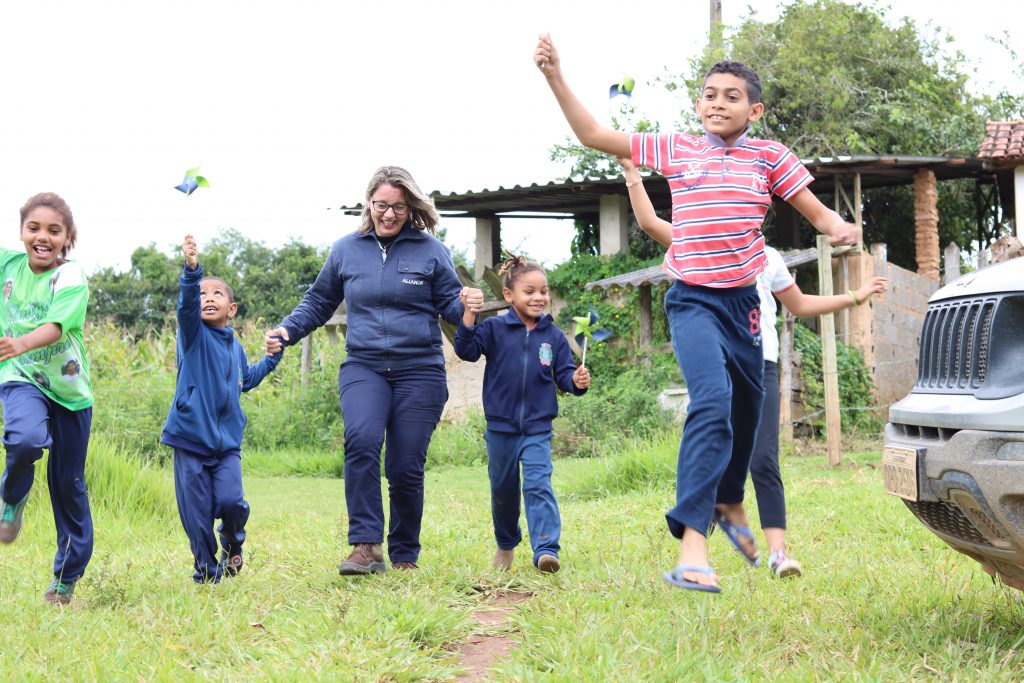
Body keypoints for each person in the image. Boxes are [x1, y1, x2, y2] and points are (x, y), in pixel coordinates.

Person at [535, 35, 861, 592]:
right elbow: (593, 135)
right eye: (709, 95)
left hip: (743, 308)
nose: (717, 104)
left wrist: (836, 226)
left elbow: (815, 211)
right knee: (711, 403)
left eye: (731, 97)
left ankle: (731, 502)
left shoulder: (769, 157)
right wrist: (555, 76)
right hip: (692, 299)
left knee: (744, 419)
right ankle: (693, 550)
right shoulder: (679, 149)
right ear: (697, 104)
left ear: (754, 111)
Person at [618, 156, 888, 579]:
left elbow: (799, 305)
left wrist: (855, 296)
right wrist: (633, 175)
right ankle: (700, 534)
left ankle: (779, 553)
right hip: (718, 363)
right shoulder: (697, 243)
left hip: (759, 366)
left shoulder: (770, 259)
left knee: (763, 458)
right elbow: (653, 223)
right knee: (714, 445)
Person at [266, 166, 484, 574]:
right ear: (368, 203)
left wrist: (468, 304)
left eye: (398, 207)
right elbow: (318, 301)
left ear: (411, 207)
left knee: (404, 465)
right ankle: (365, 546)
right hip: (364, 366)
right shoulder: (346, 250)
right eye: (382, 205)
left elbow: (452, 308)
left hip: (420, 369)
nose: (389, 214)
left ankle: (403, 554)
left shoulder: (430, 250)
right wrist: (286, 330)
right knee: (361, 440)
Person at [454, 253, 591, 573]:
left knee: (538, 484)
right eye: (529, 292)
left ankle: (546, 549)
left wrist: (577, 381)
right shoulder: (495, 329)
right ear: (508, 295)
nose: (538, 297)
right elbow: (466, 351)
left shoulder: (554, 337)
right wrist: (469, 316)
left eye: (543, 291)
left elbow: (565, 376)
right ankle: (505, 546)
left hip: (537, 428)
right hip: (501, 429)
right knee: (503, 492)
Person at [161, 234, 283, 584]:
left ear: (232, 309)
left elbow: (246, 380)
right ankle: (207, 572)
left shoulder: (236, 347)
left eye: (217, 293)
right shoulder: (192, 334)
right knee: (196, 515)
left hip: (227, 444)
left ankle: (232, 544)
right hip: (190, 439)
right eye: (203, 293)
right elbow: (186, 304)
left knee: (232, 503)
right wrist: (191, 273)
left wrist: (272, 360)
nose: (207, 297)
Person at [0, 192, 94, 605]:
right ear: (21, 232)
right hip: (21, 379)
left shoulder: (70, 276)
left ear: (67, 237)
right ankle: (12, 497)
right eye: (33, 228)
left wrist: (20, 343)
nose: (42, 237)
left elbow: (56, 327)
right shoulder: (8, 266)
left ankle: (64, 580)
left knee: (68, 484)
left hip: (71, 395)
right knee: (23, 440)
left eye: (53, 231)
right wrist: (17, 354)